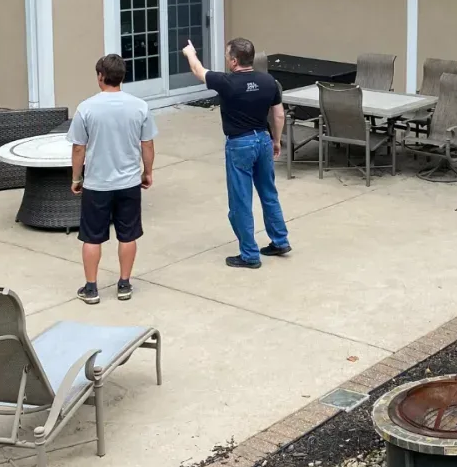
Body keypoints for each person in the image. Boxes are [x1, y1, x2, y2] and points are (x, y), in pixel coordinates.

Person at [181, 37, 291, 268]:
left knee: (241, 200)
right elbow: (279, 115)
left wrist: (190, 52)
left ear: (233, 61)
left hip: (240, 144)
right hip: (263, 139)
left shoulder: (227, 82)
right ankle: (280, 240)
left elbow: (198, 70)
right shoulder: (269, 81)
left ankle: (250, 254)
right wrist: (276, 141)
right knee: (269, 193)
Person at [68, 53, 157, 304]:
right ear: (122, 77)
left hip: (97, 183)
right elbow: (147, 144)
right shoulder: (139, 106)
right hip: (129, 182)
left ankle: (91, 288)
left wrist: (76, 178)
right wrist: (147, 171)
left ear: (100, 76)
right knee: (128, 235)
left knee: (91, 236)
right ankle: (124, 284)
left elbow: (78, 148)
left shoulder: (86, 108)